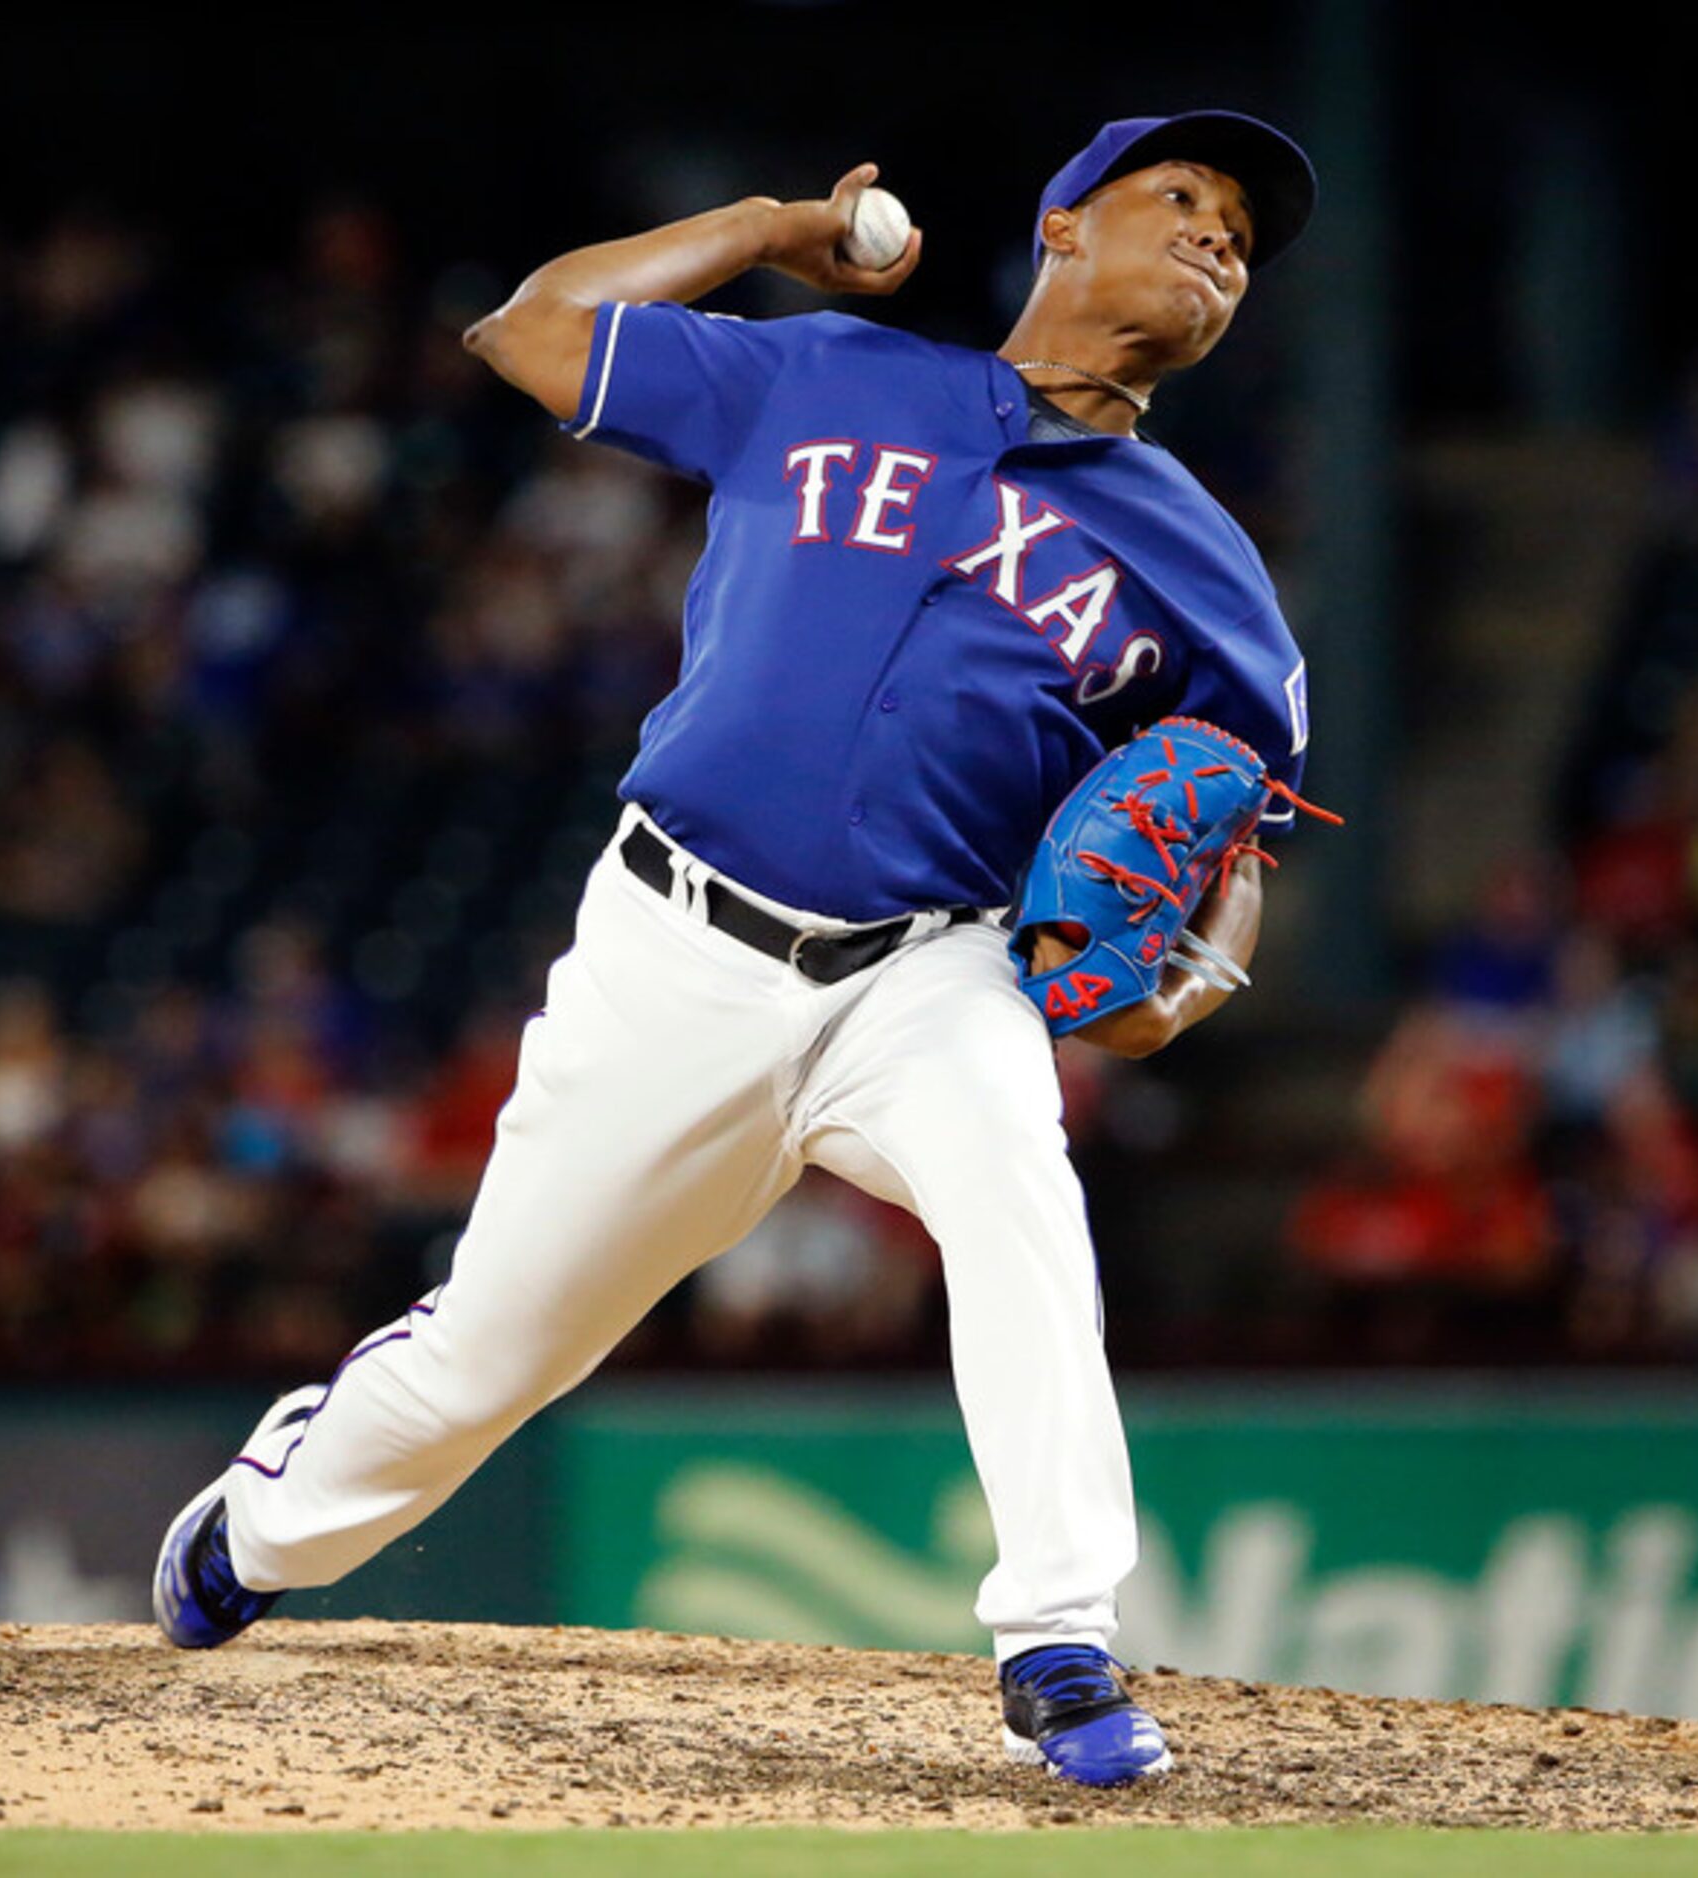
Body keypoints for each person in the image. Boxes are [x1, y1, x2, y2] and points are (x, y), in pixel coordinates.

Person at [153, 112, 1319, 1788]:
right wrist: (773, 227)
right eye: (1182, 200)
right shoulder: (835, 370)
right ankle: (263, 1527)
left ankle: (1059, 1638)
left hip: (934, 973)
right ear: (1062, 227)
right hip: (676, 944)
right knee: (491, 1356)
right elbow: (530, 331)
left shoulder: (1219, 584)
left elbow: (1238, 851)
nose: (1219, 239)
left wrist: (1181, 982)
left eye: (1241, 240)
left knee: (1021, 1195)